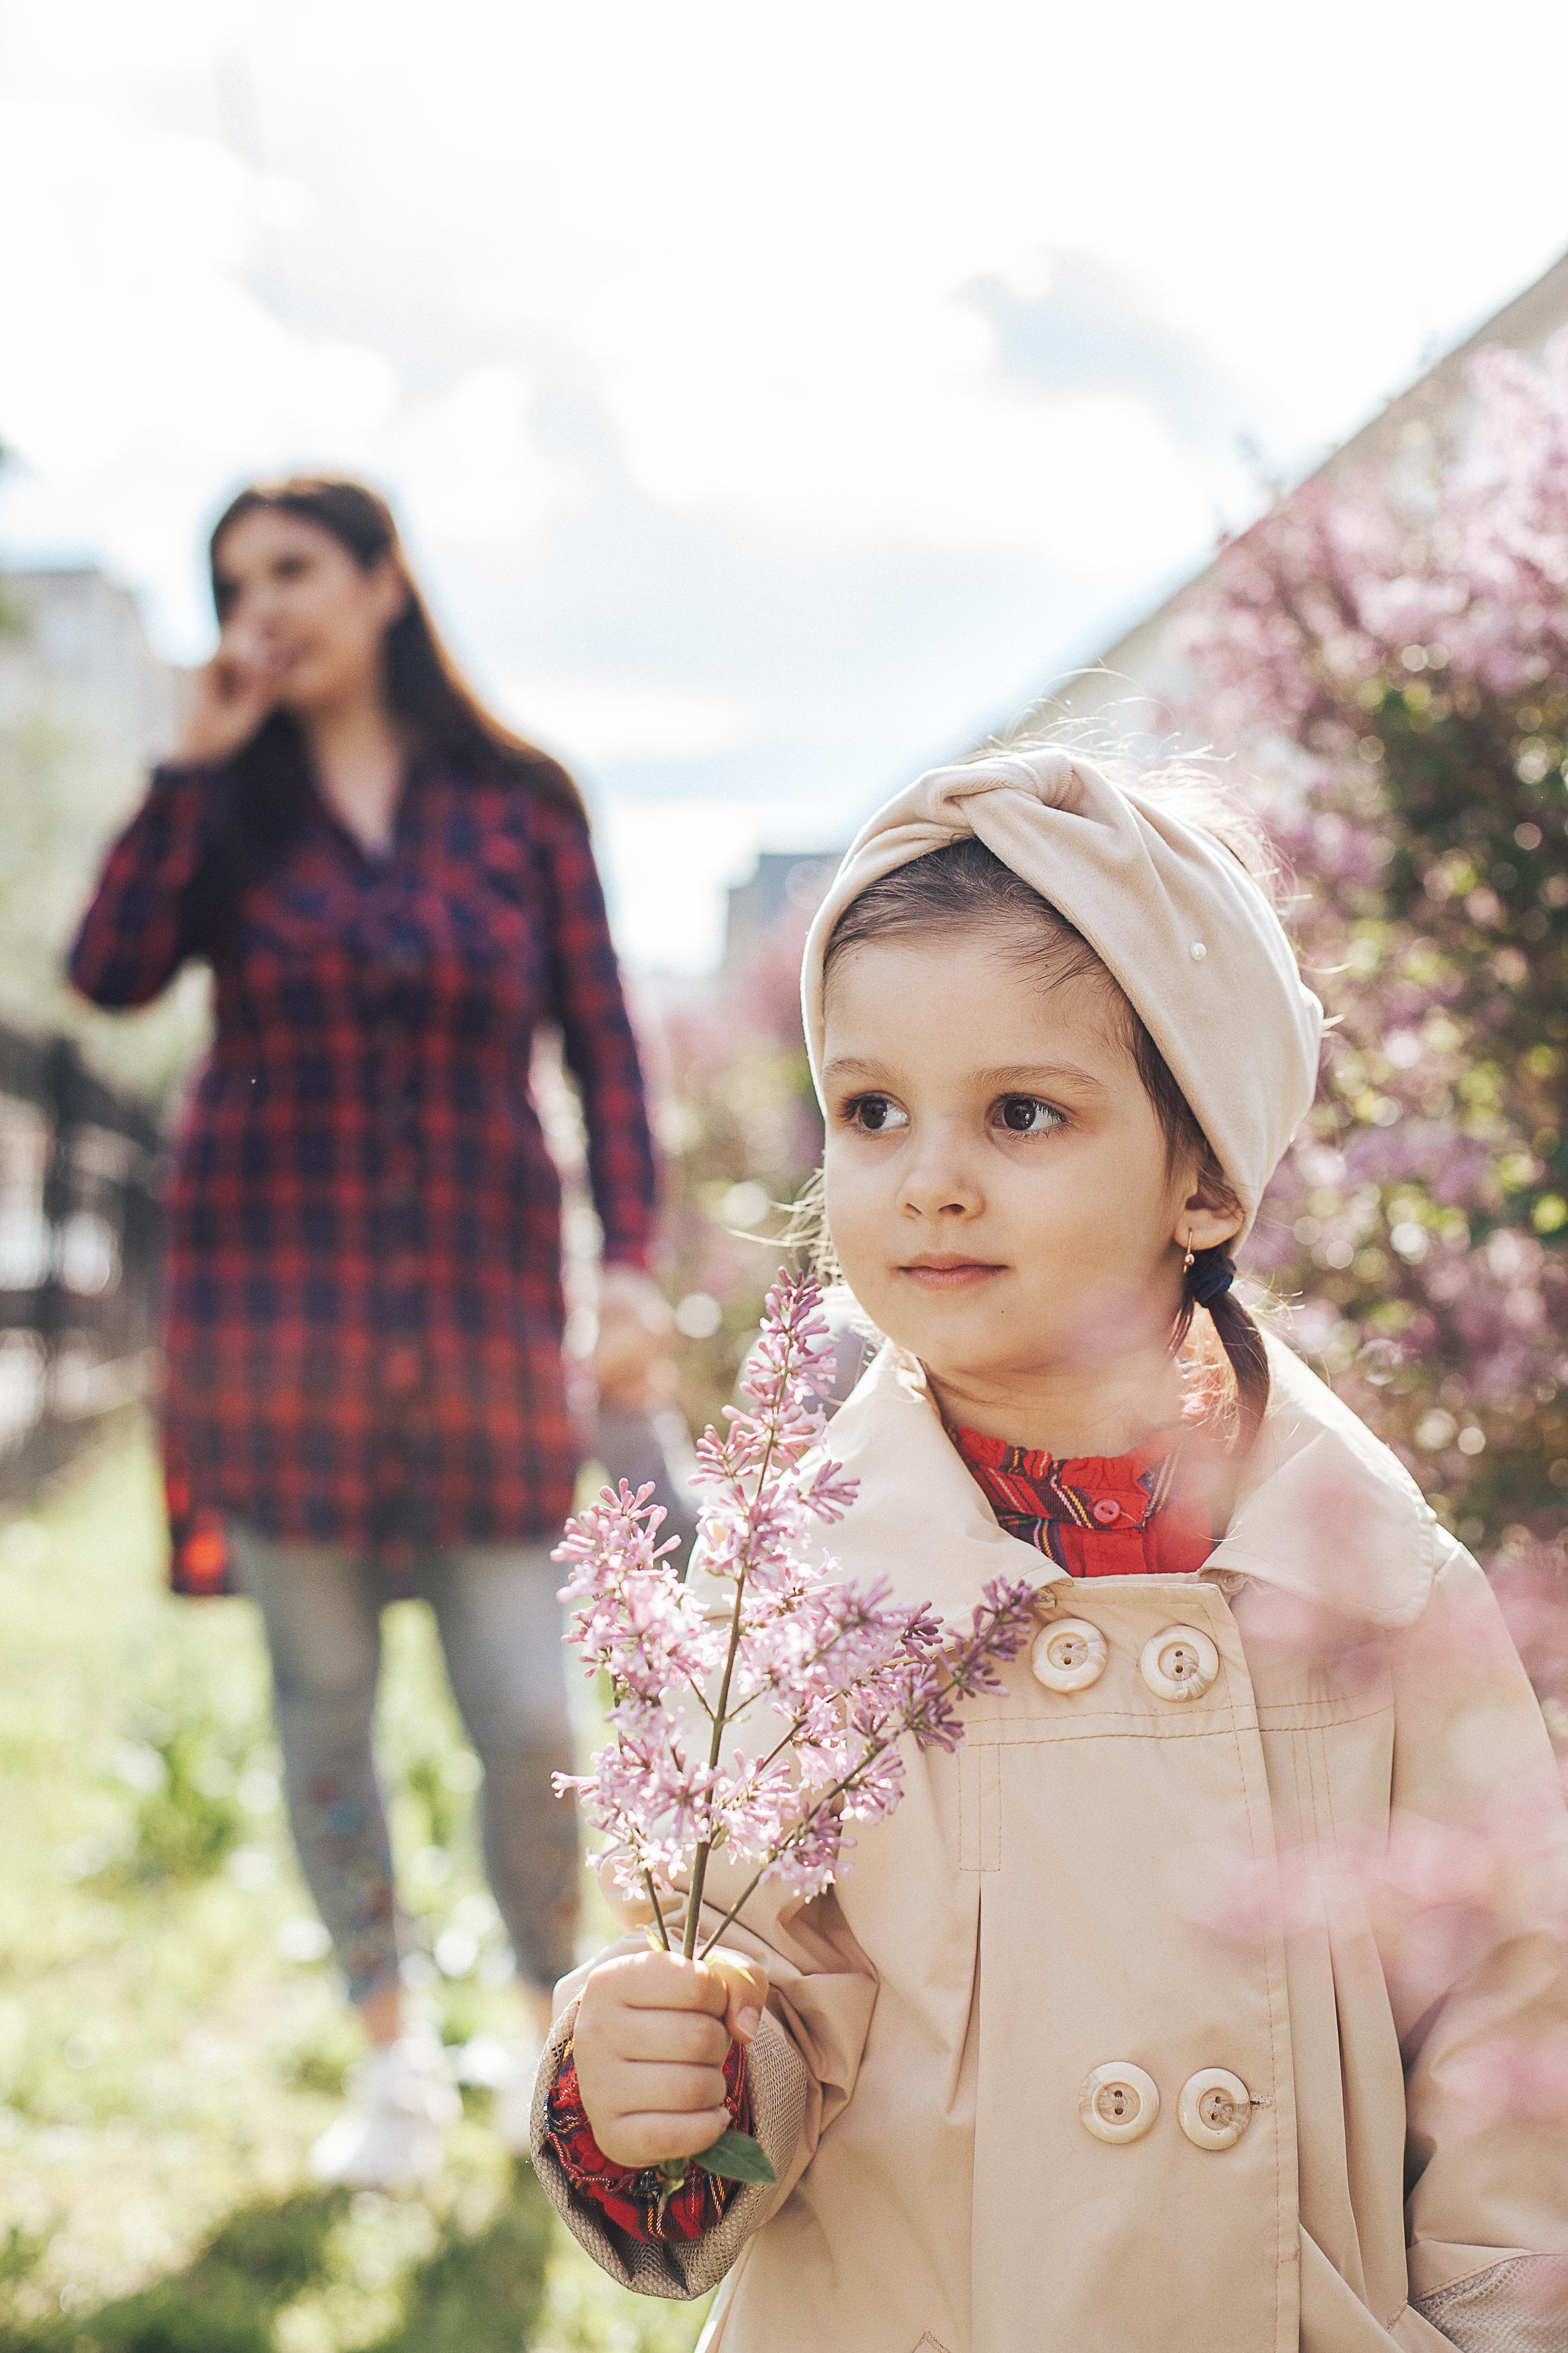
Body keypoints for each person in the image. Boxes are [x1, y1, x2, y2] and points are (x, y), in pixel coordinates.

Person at [527, 744, 1568, 2350]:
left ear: (1205, 1176)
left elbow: (1516, 2013)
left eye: (1023, 1112)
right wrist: (660, 2079)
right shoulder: (794, 1592)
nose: (929, 1180)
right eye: (871, 1111)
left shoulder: (1369, 1586)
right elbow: (751, 1984)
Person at [70, 476, 667, 2188]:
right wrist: (189, 760)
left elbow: (607, 1044)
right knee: (321, 1704)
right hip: (270, 1333)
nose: (265, 603)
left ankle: (561, 2035)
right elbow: (109, 973)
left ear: (384, 578)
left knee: (527, 1715)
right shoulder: (227, 811)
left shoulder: (520, 804)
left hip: (483, 1335)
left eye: (295, 569)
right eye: (234, 581)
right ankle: (392, 2054)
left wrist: (625, 1255)